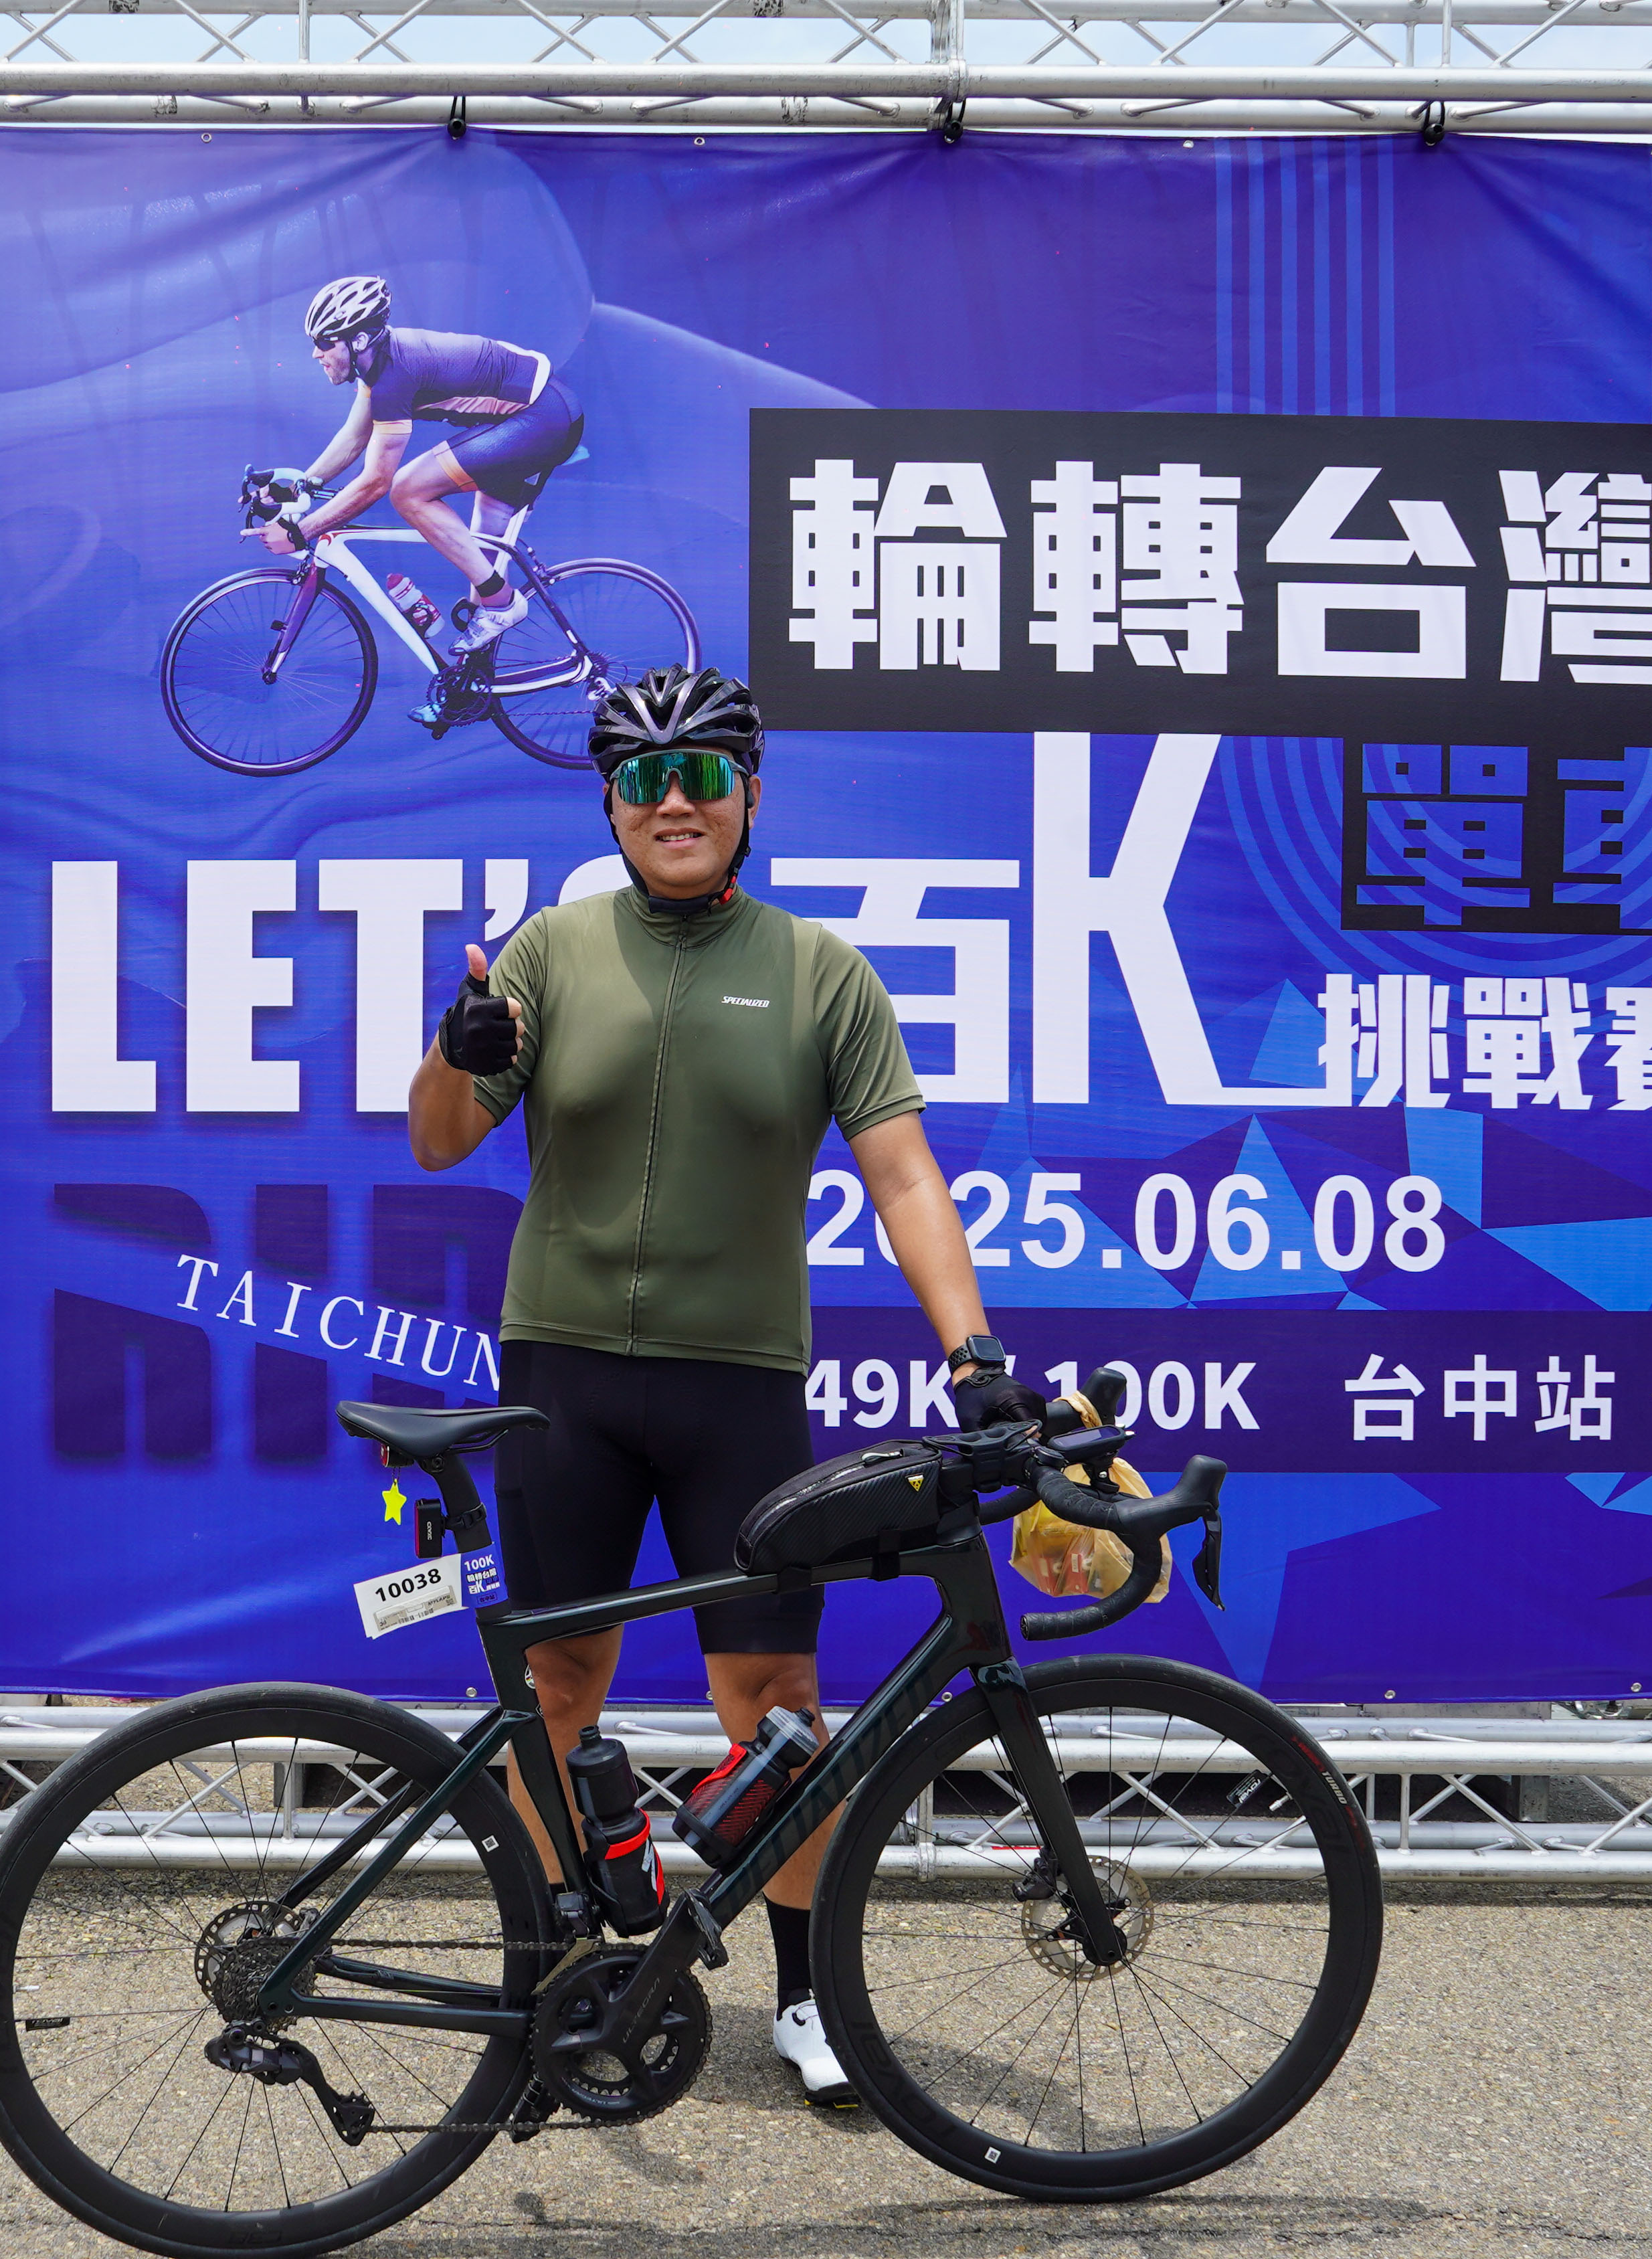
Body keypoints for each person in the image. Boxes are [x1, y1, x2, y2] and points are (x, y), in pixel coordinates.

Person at [405, 664, 1042, 2109]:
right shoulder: (551, 952)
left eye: (701, 775)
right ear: (611, 807)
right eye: (643, 780)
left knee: (777, 1697)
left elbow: (905, 1177)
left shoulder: (821, 971)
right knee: (557, 1687)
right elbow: (437, 1137)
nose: (673, 802)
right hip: (563, 1376)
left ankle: (808, 1998)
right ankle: (551, 1990)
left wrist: (975, 1355)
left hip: (739, 1387)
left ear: (751, 795)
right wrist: (457, 1047)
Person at [256, 275, 583, 666]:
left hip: (542, 420)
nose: (316, 354)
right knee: (478, 579)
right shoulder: (378, 365)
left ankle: (503, 604)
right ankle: (476, 673)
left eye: (326, 342)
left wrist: (301, 531)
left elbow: (376, 483)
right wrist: (300, 486)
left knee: (408, 490)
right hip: (537, 415)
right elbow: (355, 437)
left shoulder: (394, 376)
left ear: (358, 340)